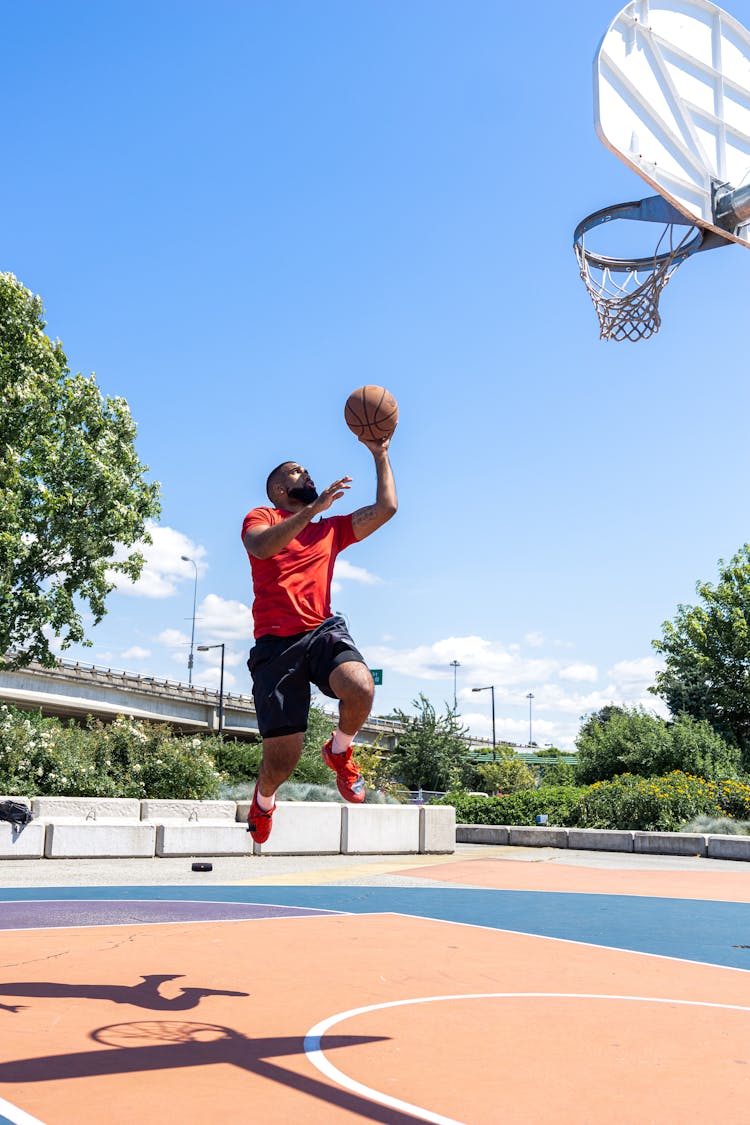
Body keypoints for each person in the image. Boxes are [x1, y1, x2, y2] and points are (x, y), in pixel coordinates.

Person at [241, 432, 397, 842]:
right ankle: (264, 801)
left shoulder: (330, 530)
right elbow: (260, 548)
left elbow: (386, 508)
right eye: (296, 471)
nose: (306, 474)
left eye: (307, 470)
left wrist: (380, 454)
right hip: (276, 647)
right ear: (279, 489)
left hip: (322, 630)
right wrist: (311, 512)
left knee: (360, 686)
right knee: (282, 761)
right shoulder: (263, 517)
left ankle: (340, 749)